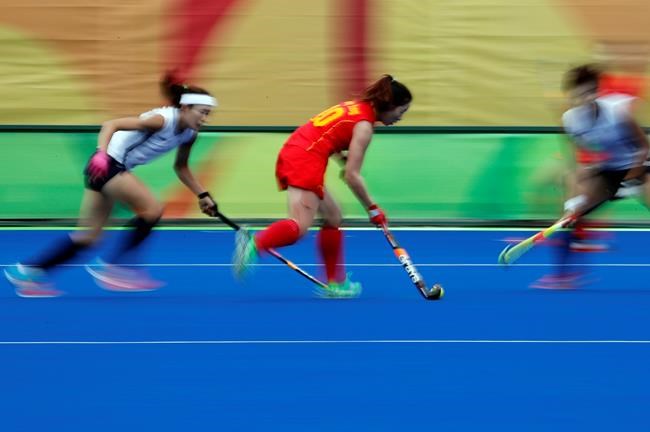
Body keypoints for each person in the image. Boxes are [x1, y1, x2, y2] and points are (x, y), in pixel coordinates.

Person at [4, 74, 218, 297]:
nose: (205, 118)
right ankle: (116, 268)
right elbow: (111, 124)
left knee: (89, 238)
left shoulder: (189, 134)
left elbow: (181, 168)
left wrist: (202, 194)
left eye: (208, 114)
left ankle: (29, 272)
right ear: (185, 107)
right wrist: (100, 154)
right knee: (152, 209)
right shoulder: (162, 120)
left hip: (110, 170)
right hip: (107, 165)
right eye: (202, 112)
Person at [232, 74, 412, 298]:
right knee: (298, 227)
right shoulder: (365, 127)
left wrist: (341, 160)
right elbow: (352, 176)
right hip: (305, 158)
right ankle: (256, 243)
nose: (400, 118)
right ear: (390, 105)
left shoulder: (355, 108)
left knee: (333, 215)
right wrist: (373, 209)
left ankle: (335, 284)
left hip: (300, 151)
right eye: (401, 112)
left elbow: (327, 135)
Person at [532, 64, 649, 289]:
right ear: (571, 95)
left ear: (597, 92)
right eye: (579, 94)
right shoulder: (570, 121)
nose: (585, 98)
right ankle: (564, 276)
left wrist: (632, 178)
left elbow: (644, 147)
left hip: (642, 164)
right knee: (571, 216)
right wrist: (573, 202)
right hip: (610, 168)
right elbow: (575, 165)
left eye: (590, 92)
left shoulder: (618, 112)